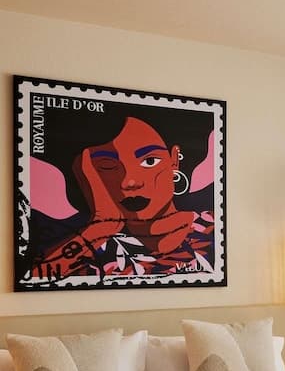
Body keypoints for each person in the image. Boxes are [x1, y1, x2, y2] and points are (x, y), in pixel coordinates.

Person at [28, 113, 216, 283]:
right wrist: (101, 226)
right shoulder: (87, 245)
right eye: (107, 166)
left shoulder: (213, 226)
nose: (129, 182)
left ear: (174, 160)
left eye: (149, 161)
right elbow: (33, 280)